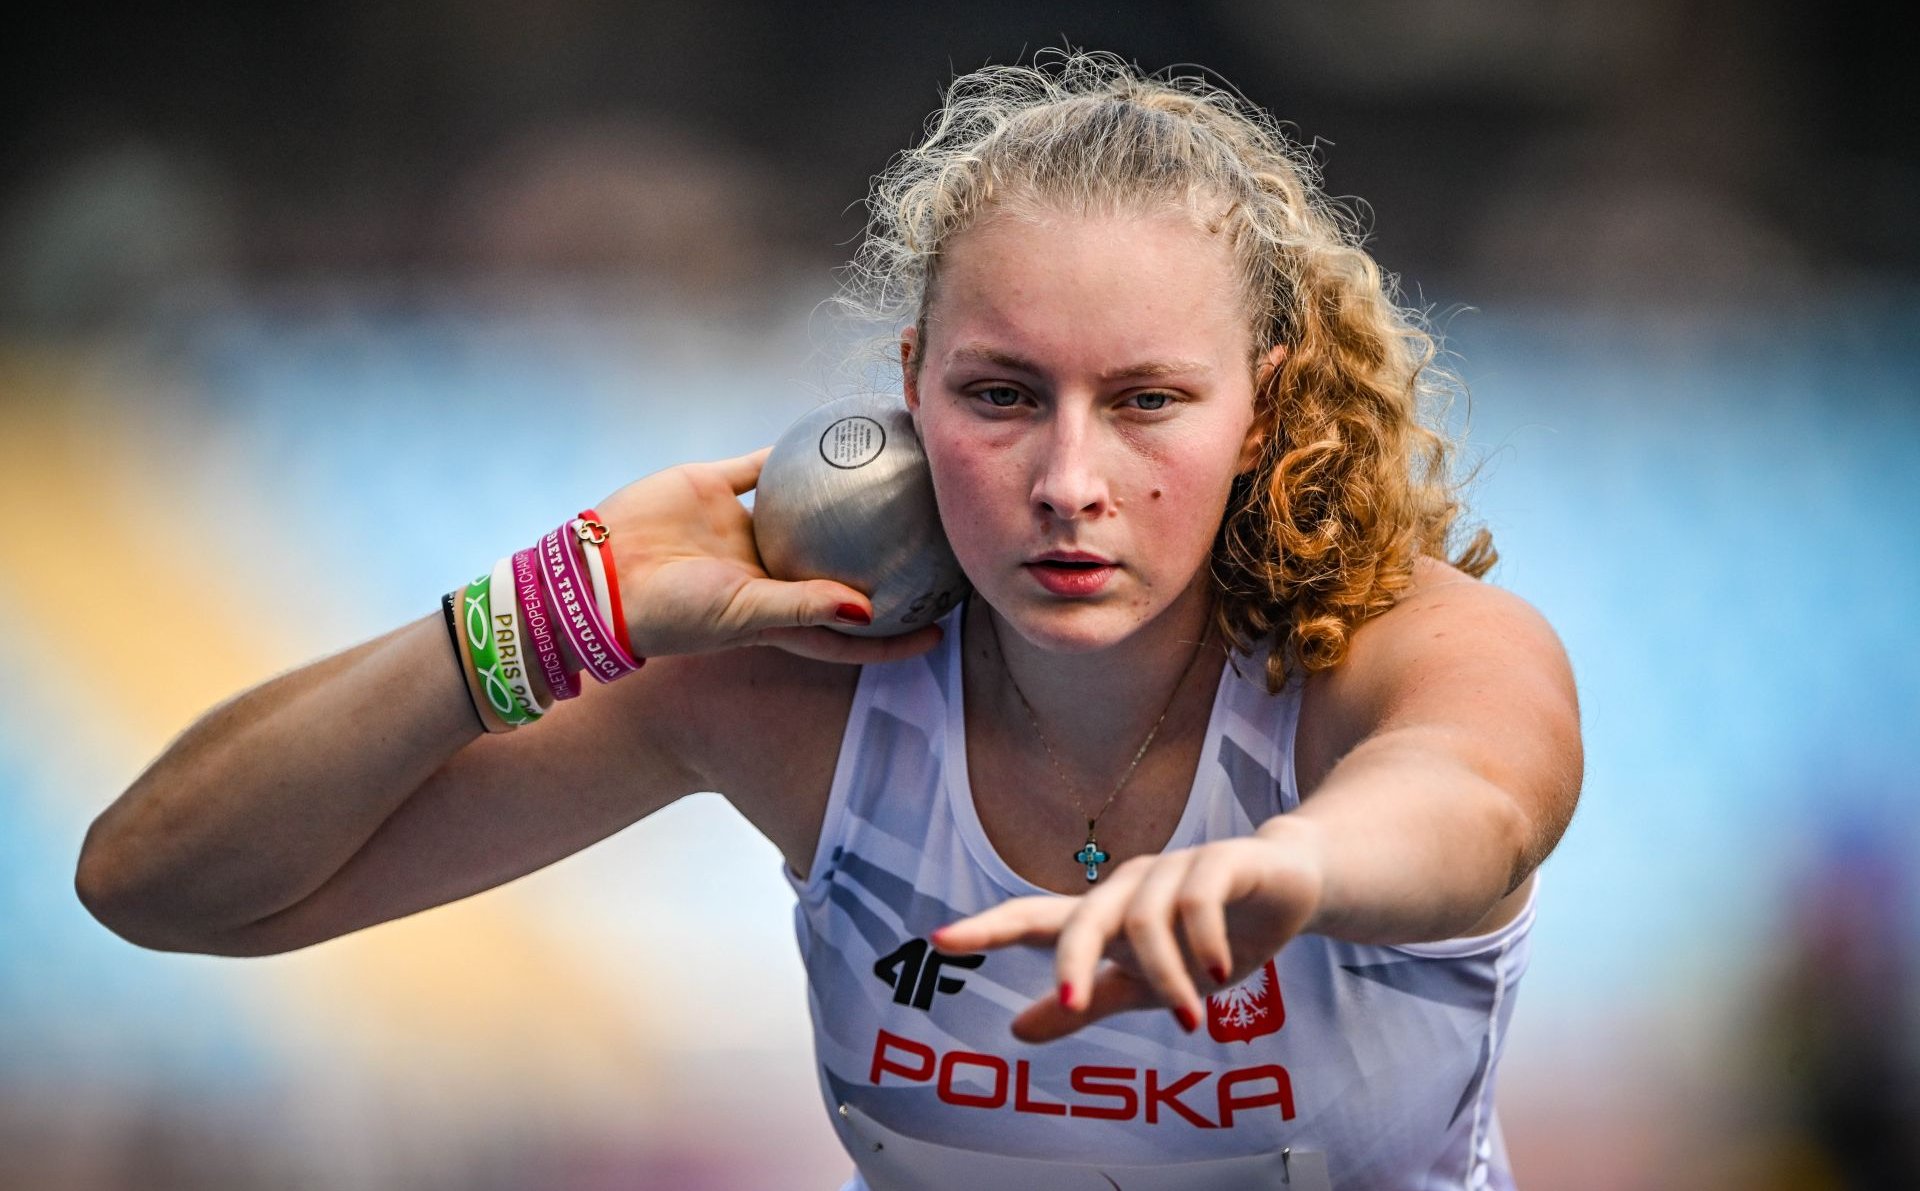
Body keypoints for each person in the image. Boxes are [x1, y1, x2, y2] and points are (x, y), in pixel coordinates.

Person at [74, 50, 1582, 1190]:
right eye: (1000, 396)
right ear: (912, 389)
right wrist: (549, 607)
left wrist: (1289, 869)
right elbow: (162, 885)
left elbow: (1470, 804)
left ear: (1257, 415)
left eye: (1147, 404)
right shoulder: (792, 696)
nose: (1070, 481)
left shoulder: (1397, 656)